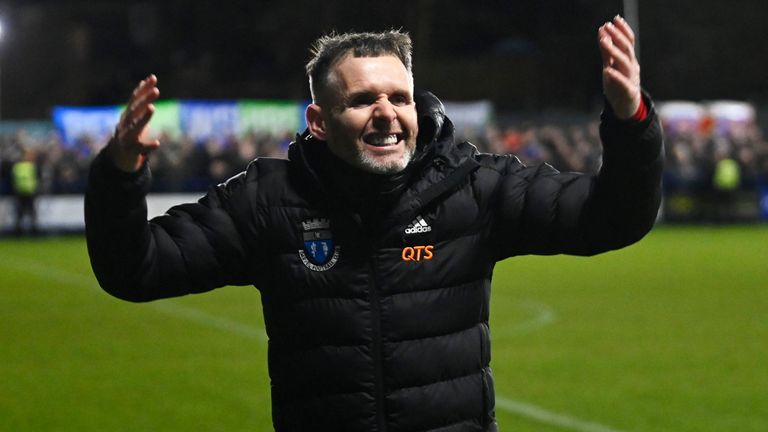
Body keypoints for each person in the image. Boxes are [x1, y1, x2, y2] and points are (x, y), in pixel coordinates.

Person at [85, 16, 663, 432]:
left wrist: (630, 120)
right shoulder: (267, 202)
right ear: (318, 121)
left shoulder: (473, 186)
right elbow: (136, 269)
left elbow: (614, 219)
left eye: (399, 97)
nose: (387, 114)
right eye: (363, 100)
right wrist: (119, 174)